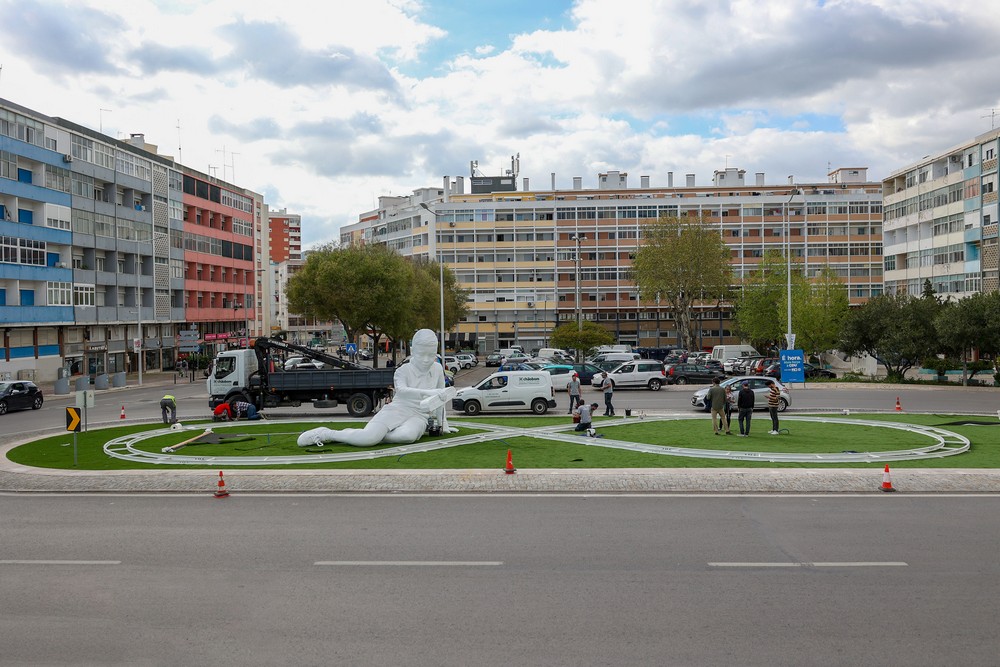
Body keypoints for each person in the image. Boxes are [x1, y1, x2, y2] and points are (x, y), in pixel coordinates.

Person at [297, 329, 457, 447]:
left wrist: (444, 424)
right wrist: (431, 392)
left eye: (431, 355)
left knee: (407, 436)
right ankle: (327, 434)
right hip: (398, 409)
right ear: (413, 351)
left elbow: (441, 399)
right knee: (368, 439)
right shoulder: (403, 371)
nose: (426, 360)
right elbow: (402, 391)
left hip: (419, 416)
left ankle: (375, 435)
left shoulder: (436, 369)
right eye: (422, 354)